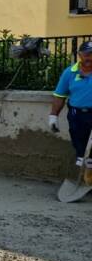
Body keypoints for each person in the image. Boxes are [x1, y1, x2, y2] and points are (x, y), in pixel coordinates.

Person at [50, 40, 92, 178]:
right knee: (80, 147)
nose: (89, 57)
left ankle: (88, 176)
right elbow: (60, 95)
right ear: (80, 55)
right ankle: (85, 177)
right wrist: (53, 116)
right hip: (77, 115)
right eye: (87, 54)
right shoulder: (70, 72)